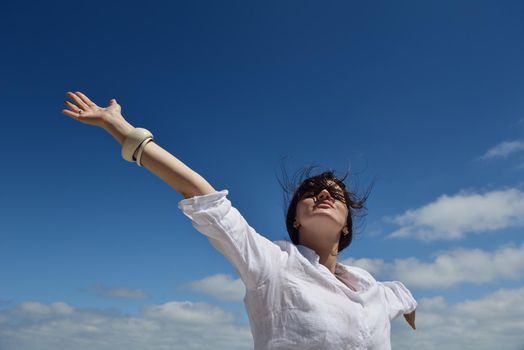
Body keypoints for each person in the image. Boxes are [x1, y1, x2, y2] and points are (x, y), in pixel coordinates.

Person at [62, 91, 417, 350]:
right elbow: (199, 194)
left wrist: (411, 312)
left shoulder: (372, 288)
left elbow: (402, 295)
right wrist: (122, 129)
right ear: (295, 218)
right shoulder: (271, 263)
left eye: (335, 194)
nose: (324, 195)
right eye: (311, 192)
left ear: (346, 225)